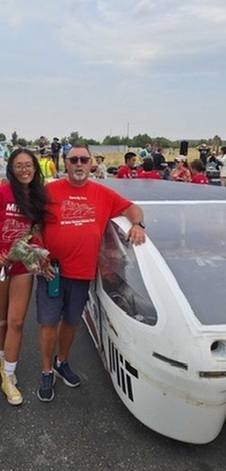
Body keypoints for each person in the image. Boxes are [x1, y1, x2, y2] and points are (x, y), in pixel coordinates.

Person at [36, 144, 146, 402]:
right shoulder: (48, 191)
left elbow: (132, 208)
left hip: (82, 273)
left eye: (83, 160)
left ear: (91, 164)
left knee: (71, 321)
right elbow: (33, 224)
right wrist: (40, 254)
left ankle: (62, 362)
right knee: (48, 323)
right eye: (73, 159)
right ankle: (46, 370)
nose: (79, 164)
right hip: (52, 271)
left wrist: (138, 225)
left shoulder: (103, 194)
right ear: (65, 162)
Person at [0, 148, 49, 406]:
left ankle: (8, 375)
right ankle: (3, 360)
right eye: (19, 166)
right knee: (2, 319)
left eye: (29, 165)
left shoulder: (38, 197)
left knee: (17, 322)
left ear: (35, 168)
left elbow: (36, 231)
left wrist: (38, 255)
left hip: (21, 265)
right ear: (11, 169)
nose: (24, 170)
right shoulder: (0, 194)